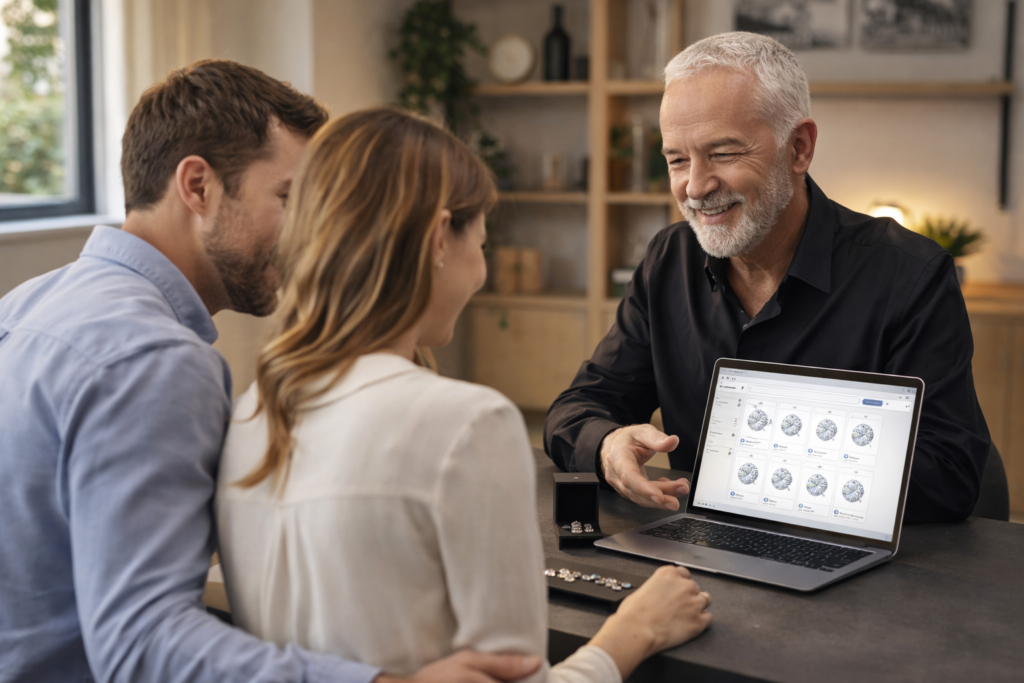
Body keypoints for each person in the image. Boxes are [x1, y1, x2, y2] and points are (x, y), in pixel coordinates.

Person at [0, 60, 540, 683]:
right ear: (198, 186)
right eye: (291, 199)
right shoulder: (154, 361)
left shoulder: (29, 304)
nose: (311, 236)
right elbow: (140, 646)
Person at [215, 107, 714, 683]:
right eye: (481, 242)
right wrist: (635, 631)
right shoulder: (468, 425)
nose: (481, 271)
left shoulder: (249, 410)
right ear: (437, 239)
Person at [544, 32, 990, 524]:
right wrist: (608, 445)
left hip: (857, 575)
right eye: (676, 160)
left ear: (799, 148)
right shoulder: (669, 259)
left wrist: (770, 466)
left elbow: (950, 475)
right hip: (699, 559)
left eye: (724, 153)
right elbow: (578, 408)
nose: (694, 186)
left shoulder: (910, 275)